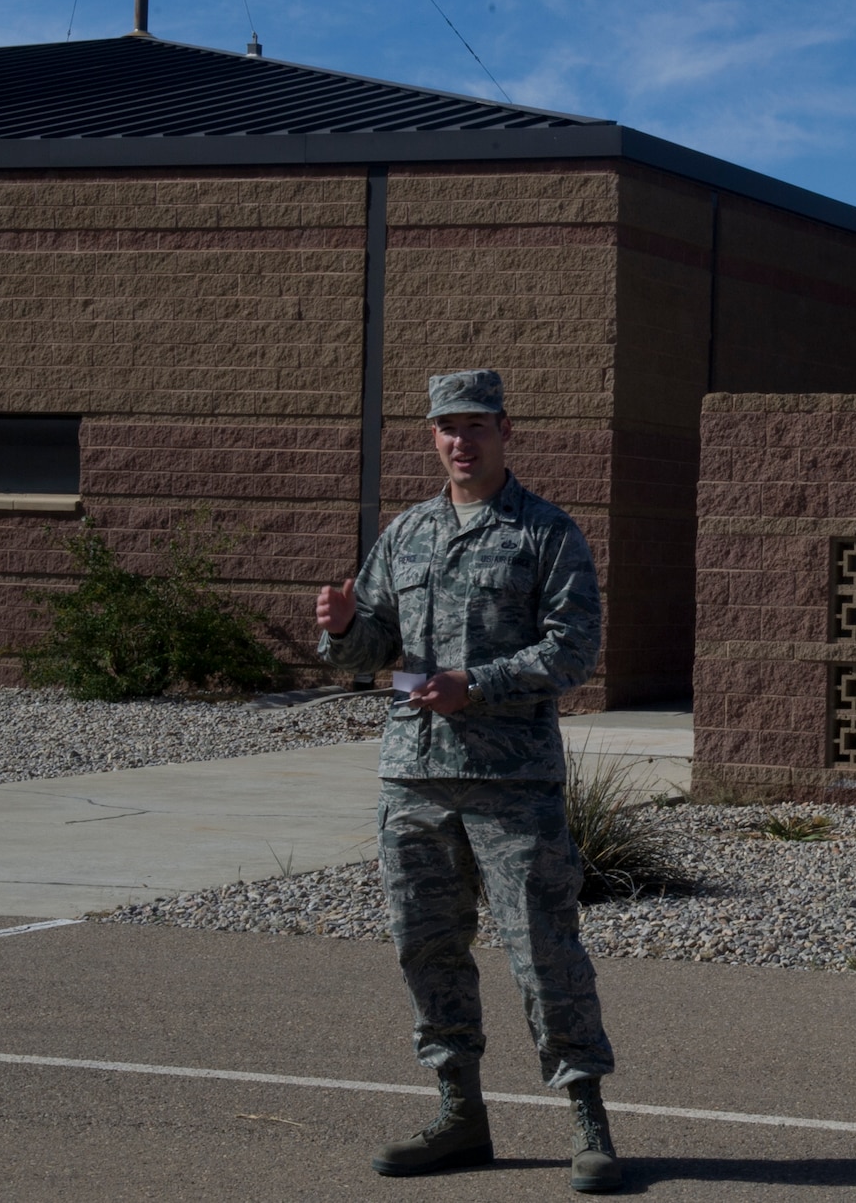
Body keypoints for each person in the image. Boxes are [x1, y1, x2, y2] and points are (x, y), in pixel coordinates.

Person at [315, 368, 621, 1194]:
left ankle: (587, 1118)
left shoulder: (546, 534)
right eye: (447, 427)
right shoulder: (407, 533)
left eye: (476, 425)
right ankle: (459, 1113)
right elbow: (373, 648)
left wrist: (475, 684)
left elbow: (573, 647)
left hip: (510, 779)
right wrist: (345, 630)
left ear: (504, 430)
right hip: (414, 776)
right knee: (427, 946)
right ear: (433, 436)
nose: (461, 440)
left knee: (542, 951)